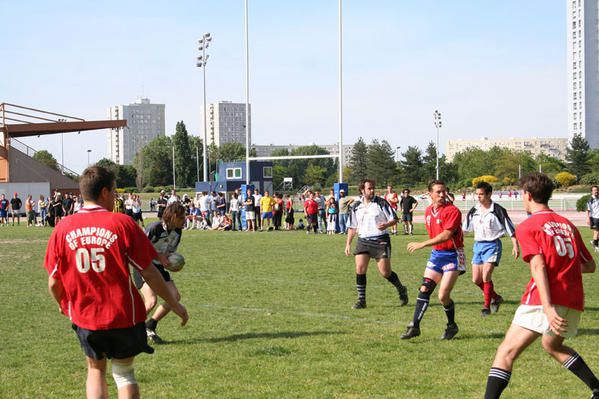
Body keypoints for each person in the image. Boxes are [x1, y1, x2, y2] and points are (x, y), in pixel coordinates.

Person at [44, 166, 188, 399]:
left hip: (86, 315)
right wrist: (175, 303)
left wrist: (63, 304)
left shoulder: (63, 228)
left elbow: (53, 282)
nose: (116, 197)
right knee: (124, 373)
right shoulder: (122, 223)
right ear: (103, 192)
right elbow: (149, 272)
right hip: (123, 314)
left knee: (95, 371)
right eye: (113, 192)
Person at [484, 173, 599, 399]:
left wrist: (547, 306)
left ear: (527, 195)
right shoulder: (566, 224)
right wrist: (563, 268)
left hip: (543, 300)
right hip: (573, 298)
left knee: (506, 352)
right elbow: (590, 265)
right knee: (553, 345)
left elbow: (538, 266)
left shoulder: (529, 226)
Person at [401, 179, 465, 340]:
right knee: (425, 288)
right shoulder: (429, 211)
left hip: (453, 254)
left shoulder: (453, 211)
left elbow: (446, 235)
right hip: (437, 254)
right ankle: (414, 326)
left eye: (444, 191)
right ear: (430, 194)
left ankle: (451, 325)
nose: (442, 194)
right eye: (438, 192)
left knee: (443, 296)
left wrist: (422, 244)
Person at [345, 179, 408, 309]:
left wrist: (386, 224)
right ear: (362, 190)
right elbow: (352, 227)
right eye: (369, 188)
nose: (372, 190)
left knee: (385, 272)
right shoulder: (356, 206)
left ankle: (401, 289)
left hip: (381, 240)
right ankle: (361, 301)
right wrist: (348, 244)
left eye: (373, 188)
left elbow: (394, 219)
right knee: (360, 269)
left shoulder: (381, 203)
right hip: (363, 241)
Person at [134, 202, 187, 345]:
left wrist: (171, 263)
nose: (184, 220)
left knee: (174, 297)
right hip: (143, 266)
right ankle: (128, 330)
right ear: (174, 216)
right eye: (182, 217)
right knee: (151, 301)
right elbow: (139, 249)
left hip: (158, 267)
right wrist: (159, 256)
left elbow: (169, 251)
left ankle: (150, 325)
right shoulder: (154, 228)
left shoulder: (177, 231)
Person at [463, 182, 519, 316]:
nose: (478, 197)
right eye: (477, 194)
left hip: (493, 245)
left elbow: (510, 229)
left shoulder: (498, 210)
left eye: (481, 194)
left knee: (486, 274)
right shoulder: (474, 210)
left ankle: (486, 306)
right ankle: (496, 297)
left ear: (489, 194)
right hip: (478, 246)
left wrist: (515, 245)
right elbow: (464, 230)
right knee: (476, 280)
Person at [586, 185, 599, 252]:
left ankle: (593, 241)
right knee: (596, 232)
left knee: (597, 232)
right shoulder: (590, 200)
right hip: (595, 218)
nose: (596, 191)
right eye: (594, 190)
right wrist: (587, 218)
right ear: (592, 191)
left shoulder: (598, 198)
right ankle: (596, 246)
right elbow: (588, 210)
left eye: (597, 190)